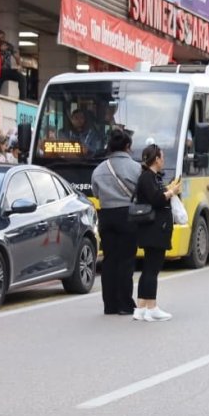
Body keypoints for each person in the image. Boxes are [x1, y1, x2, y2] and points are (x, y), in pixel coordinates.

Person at [91, 130, 143, 317]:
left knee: (110, 260)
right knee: (126, 261)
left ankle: (109, 305)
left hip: (106, 216)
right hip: (127, 215)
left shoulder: (99, 169)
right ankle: (125, 304)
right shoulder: (135, 168)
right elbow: (140, 191)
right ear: (127, 147)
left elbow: (96, 193)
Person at [134, 144, 178, 322]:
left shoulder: (151, 177)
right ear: (156, 159)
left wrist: (167, 189)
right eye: (162, 157)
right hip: (154, 230)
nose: (163, 160)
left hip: (152, 229)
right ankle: (151, 306)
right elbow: (155, 199)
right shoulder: (147, 177)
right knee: (152, 269)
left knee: (148, 269)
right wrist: (171, 192)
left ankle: (141, 306)